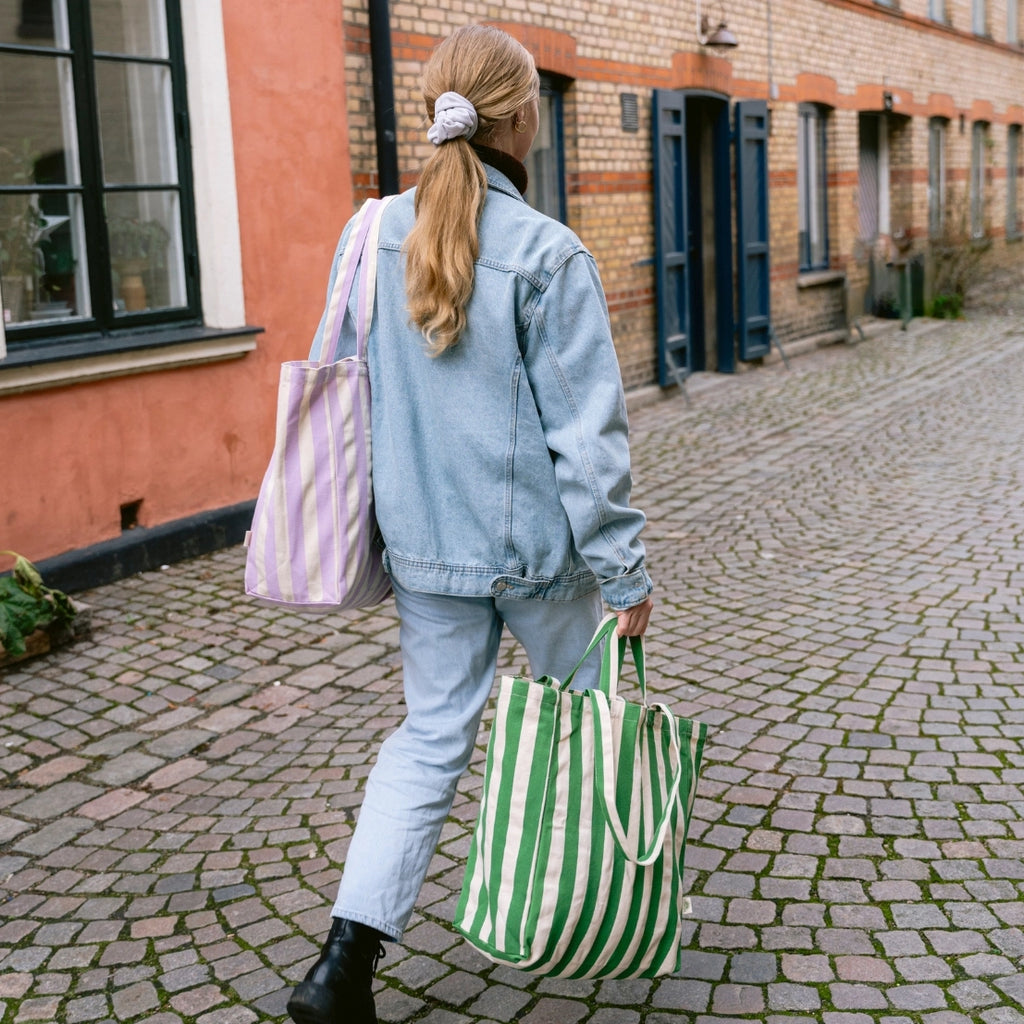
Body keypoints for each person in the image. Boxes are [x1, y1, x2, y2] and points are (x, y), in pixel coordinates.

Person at [286, 23, 654, 1024]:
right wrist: (625, 575)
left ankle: (339, 968)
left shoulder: (369, 238)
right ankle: (584, 907)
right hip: (542, 559)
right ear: (523, 117)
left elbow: (353, 394)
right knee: (587, 721)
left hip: (428, 555)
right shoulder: (548, 252)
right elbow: (589, 440)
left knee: (427, 739)